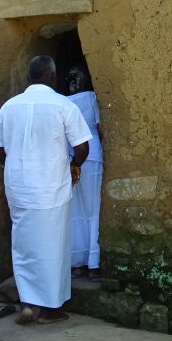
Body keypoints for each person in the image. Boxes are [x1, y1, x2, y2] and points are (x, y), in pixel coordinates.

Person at [0, 55, 91, 324]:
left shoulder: (9, 107)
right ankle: (48, 310)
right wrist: (74, 164)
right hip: (51, 187)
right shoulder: (63, 105)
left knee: (23, 245)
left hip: (19, 188)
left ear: (29, 78)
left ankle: (27, 304)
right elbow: (82, 147)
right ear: (52, 77)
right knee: (53, 247)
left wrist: (13, 165)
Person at [65, 67, 104, 281]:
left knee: (75, 210)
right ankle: (93, 263)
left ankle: (77, 263)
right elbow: (99, 128)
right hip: (92, 155)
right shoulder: (91, 97)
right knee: (93, 209)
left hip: (71, 158)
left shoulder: (63, 102)